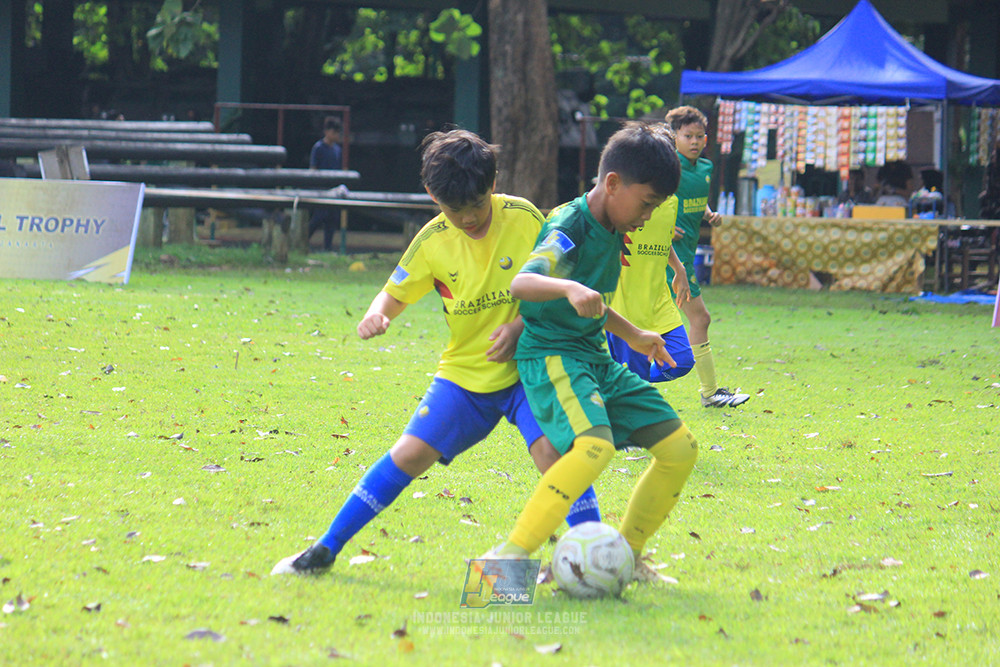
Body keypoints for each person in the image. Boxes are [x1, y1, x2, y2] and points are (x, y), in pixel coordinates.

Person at [272, 129, 601, 575]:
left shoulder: (525, 218)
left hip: (532, 367)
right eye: (455, 210)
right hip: (467, 375)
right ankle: (324, 551)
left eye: (478, 206)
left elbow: (565, 281)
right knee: (407, 454)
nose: (469, 220)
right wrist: (378, 315)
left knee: (554, 455)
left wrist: (521, 326)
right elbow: (394, 291)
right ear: (431, 195)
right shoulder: (432, 241)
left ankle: (596, 559)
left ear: (494, 182)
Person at [484, 121, 699, 582]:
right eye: (647, 204)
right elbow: (522, 282)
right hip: (553, 356)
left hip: (595, 357)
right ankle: (507, 565)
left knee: (680, 449)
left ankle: (627, 558)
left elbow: (594, 302)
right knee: (594, 447)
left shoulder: (615, 224)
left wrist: (636, 333)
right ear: (614, 183)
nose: (647, 216)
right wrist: (566, 287)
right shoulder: (570, 224)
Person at [665, 106, 749, 408]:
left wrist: (709, 213)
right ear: (674, 136)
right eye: (688, 136)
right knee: (700, 318)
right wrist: (663, 226)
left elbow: (694, 199)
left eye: (700, 136)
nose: (695, 141)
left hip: (684, 255)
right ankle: (710, 392)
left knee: (655, 323)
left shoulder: (705, 168)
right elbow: (652, 198)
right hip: (665, 256)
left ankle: (709, 392)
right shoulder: (667, 166)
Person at [606, 189, 695, 383]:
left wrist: (679, 269)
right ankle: (625, 384)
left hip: (658, 299)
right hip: (625, 305)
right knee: (632, 387)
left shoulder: (672, 201)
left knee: (682, 360)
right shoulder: (624, 198)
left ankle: (624, 381)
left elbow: (662, 237)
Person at [307, 116, 344, 252]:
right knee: (318, 218)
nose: (337, 136)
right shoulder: (318, 148)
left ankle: (327, 248)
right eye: (335, 132)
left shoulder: (337, 150)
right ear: (327, 131)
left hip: (333, 189)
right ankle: (303, 240)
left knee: (332, 220)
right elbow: (313, 169)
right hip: (321, 189)